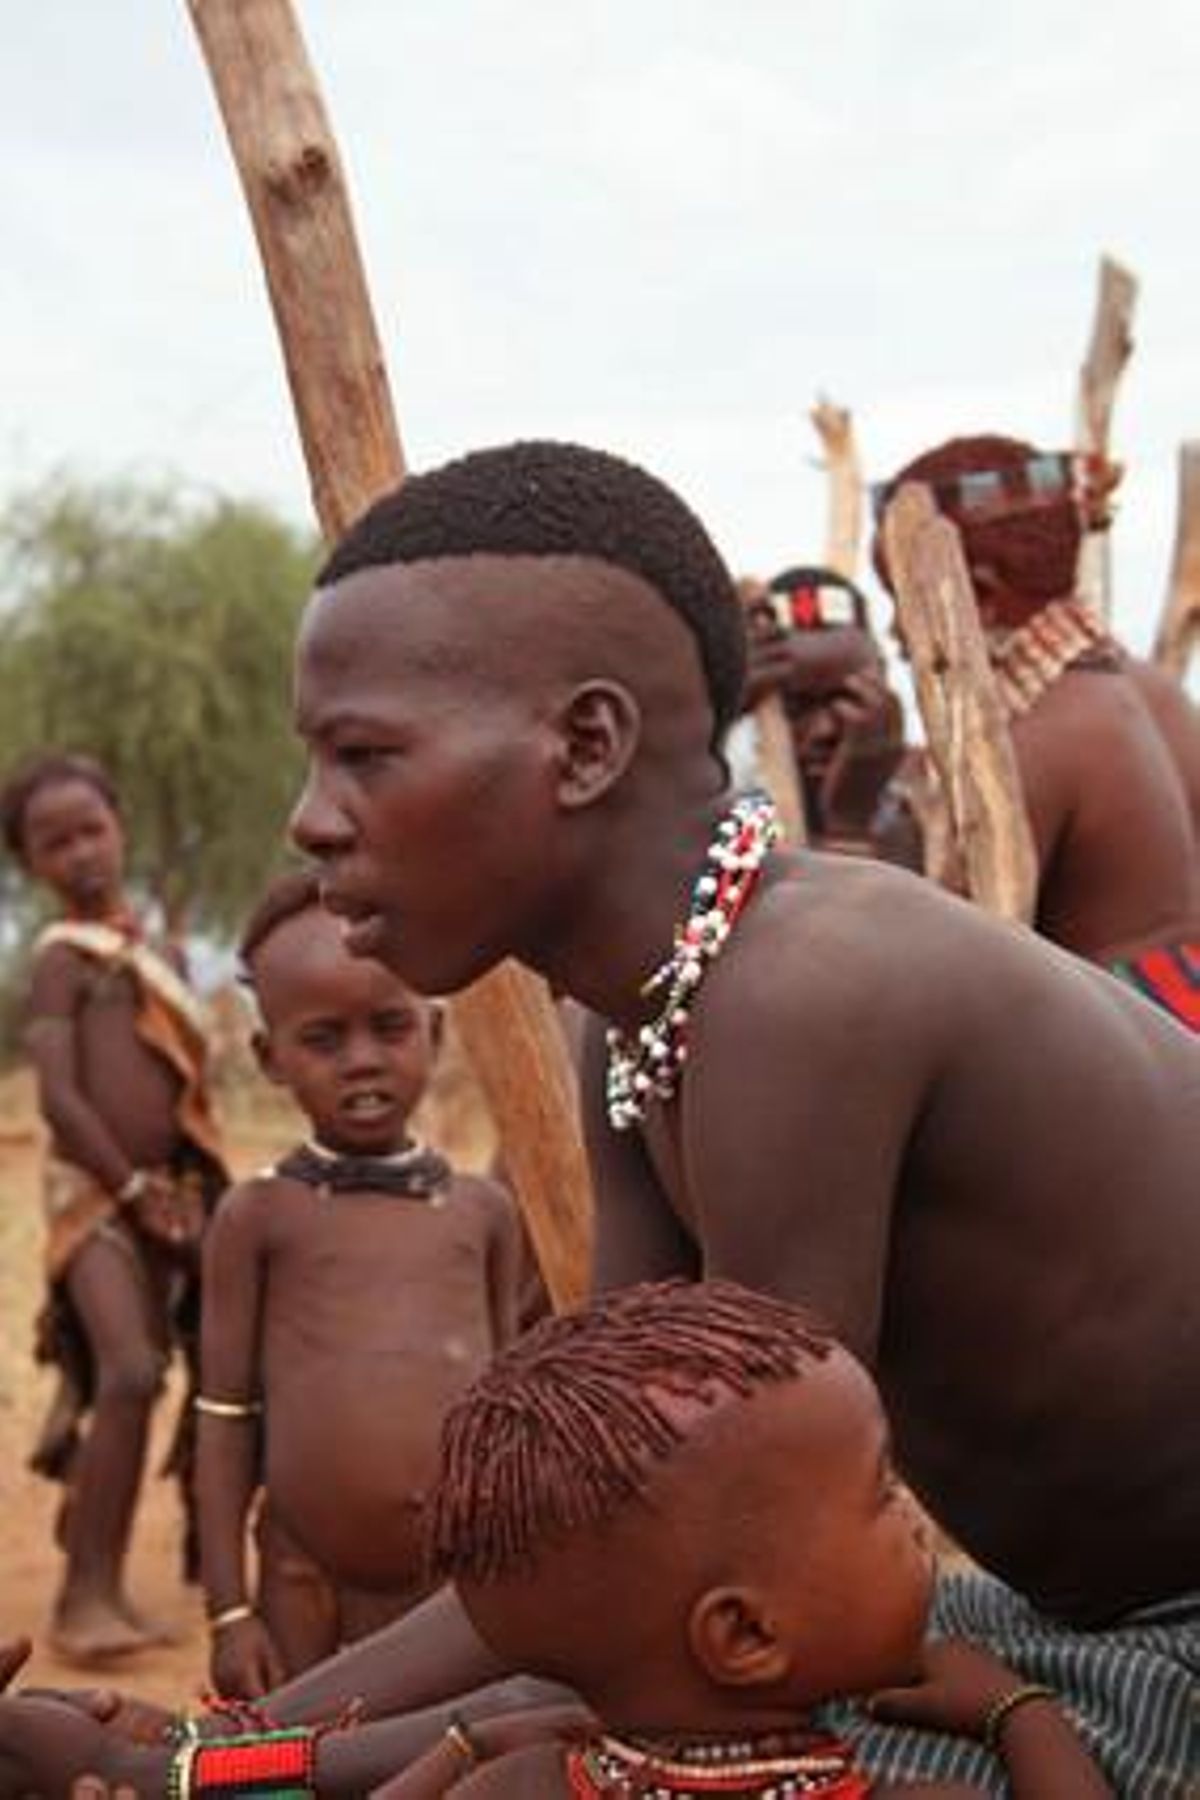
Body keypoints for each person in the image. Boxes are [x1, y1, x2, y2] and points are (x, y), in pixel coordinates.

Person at [3, 442, 1199, 1789]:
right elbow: (602, 1529)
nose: (310, 824)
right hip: (1079, 1619)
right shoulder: (643, 1015)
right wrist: (215, 1750)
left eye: (363, 757)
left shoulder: (807, 996)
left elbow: (691, 1557)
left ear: (583, 746)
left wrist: (218, 1770)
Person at [379, 1278, 1112, 1797]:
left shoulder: (518, 1784)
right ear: (746, 1635)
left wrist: (463, 1746)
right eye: (882, 1493)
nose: (915, 1518)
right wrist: (1021, 1714)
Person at [196, 869, 523, 1695]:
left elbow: (509, 1408)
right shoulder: (258, 1216)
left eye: (389, 1027)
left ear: (435, 1032)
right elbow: (224, 1422)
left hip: (454, 1586)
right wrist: (231, 1613)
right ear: (269, 1057)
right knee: (291, 1765)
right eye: (324, 1039)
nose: (364, 1061)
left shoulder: (483, 1215)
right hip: (303, 1582)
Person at [0, 752, 227, 1664]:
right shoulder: (62, 964)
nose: (81, 854)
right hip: (95, 1199)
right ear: (30, 866)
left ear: (120, 827)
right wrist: (133, 1193)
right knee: (130, 1371)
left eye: (91, 830)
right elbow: (59, 1100)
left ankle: (219, 1558)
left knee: (224, 1359)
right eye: (55, 844)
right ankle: (84, 1595)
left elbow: (185, 1094)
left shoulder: (160, 957)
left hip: (171, 1197)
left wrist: (183, 1196)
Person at [873, 436, 1200, 1018]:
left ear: (980, 593)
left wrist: (850, 830)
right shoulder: (1150, 691)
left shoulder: (1036, 749)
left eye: (901, 601)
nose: (897, 633)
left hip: (1134, 1060)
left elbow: (946, 965)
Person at [736, 566, 915, 864]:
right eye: (798, 705)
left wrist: (851, 821)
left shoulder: (931, 825)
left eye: (846, 699)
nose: (824, 730)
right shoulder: (723, 839)